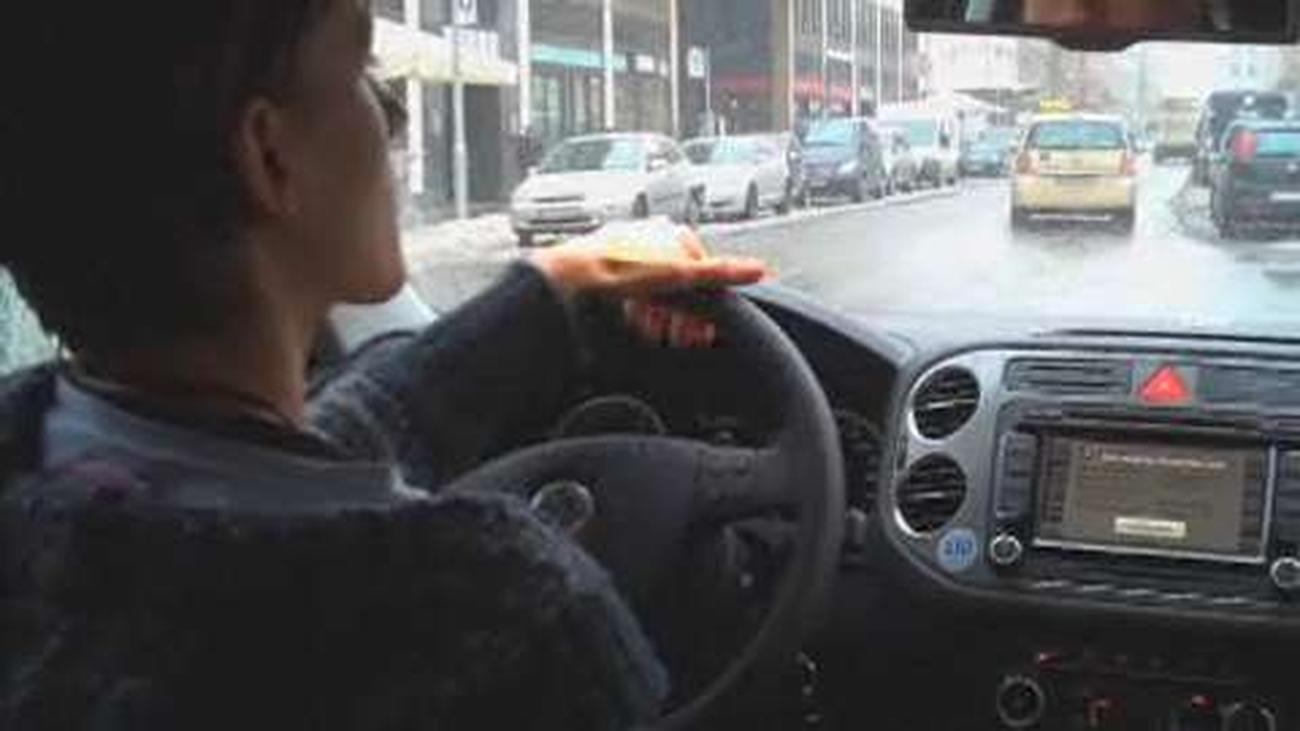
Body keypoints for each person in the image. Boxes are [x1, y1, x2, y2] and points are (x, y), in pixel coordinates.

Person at [0, 1, 768, 729]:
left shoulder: (38, 489)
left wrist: (555, 285)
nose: (395, 117)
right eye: (363, 70)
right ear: (270, 156)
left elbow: (300, 461)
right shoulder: (504, 621)